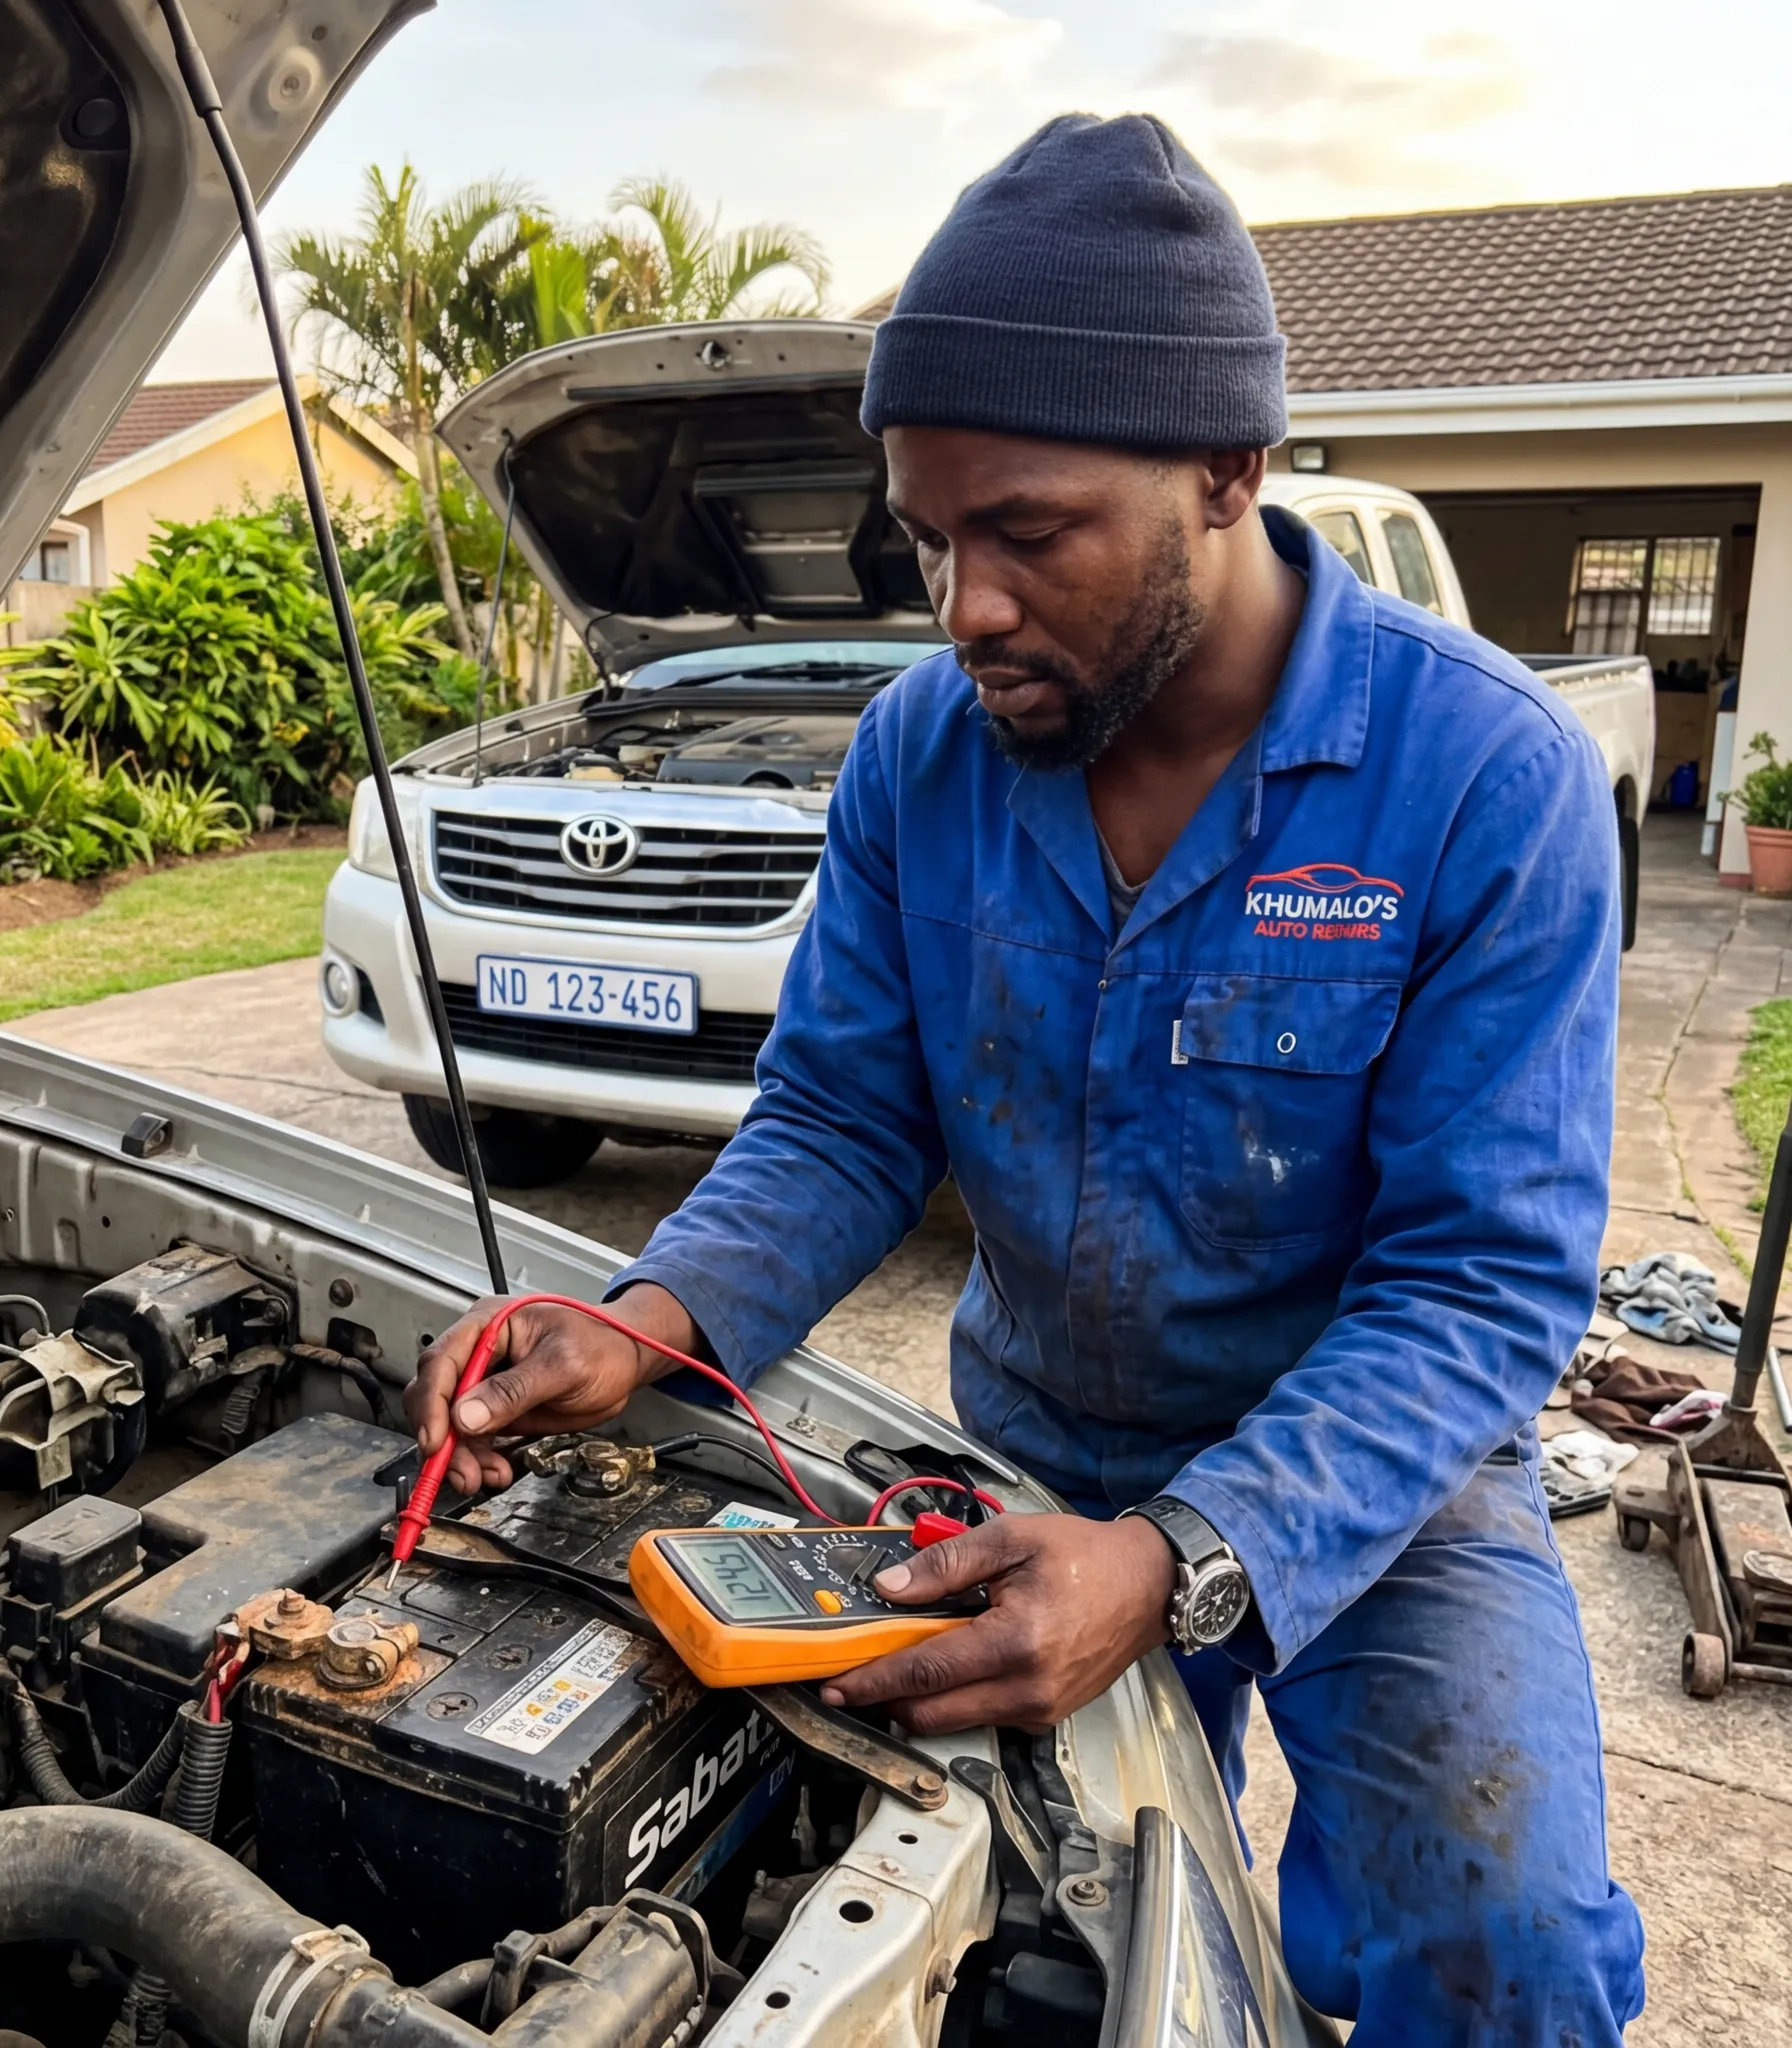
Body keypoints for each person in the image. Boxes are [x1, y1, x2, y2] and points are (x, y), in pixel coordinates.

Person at [407, 114, 1645, 2045]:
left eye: (1030, 535)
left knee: (1502, 1951)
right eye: (926, 536)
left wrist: (1175, 1563)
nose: (961, 605)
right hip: (1033, 1451)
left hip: (1379, 1487)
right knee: (1022, 1950)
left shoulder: (1490, 783)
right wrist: (640, 1321)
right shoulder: (922, 753)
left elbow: (1478, 1284)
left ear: (1229, 470)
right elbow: (840, 1118)